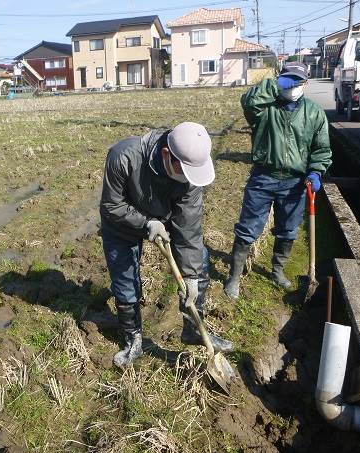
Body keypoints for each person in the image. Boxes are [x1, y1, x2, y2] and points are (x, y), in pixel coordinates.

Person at [100, 122, 234, 368]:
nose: (187, 179)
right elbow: (111, 206)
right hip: (121, 222)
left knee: (199, 259)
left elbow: (189, 227)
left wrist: (191, 276)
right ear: (166, 156)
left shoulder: (191, 175)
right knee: (125, 277)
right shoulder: (124, 156)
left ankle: (194, 330)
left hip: (165, 215)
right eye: (183, 171)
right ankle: (133, 339)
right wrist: (145, 223)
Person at [224, 62, 332, 300]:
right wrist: (276, 85)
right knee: (247, 228)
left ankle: (278, 270)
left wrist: (315, 171)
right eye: (287, 80)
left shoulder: (314, 113)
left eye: (297, 81)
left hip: (295, 183)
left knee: (288, 229)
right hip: (263, 178)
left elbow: (321, 148)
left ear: (306, 83)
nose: (292, 86)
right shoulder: (264, 109)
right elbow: (248, 101)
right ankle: (234, 276)